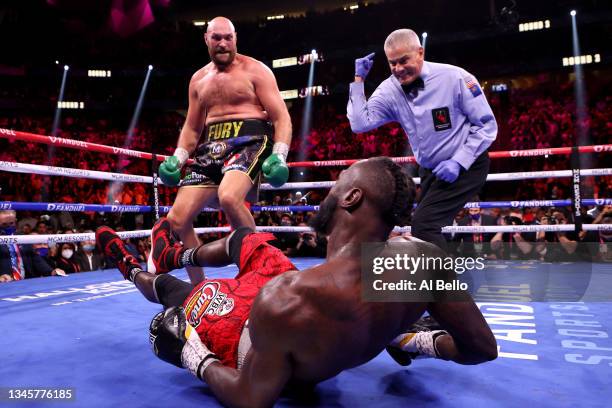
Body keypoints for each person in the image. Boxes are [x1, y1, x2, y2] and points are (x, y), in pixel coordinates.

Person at [97, 157, 496, 407]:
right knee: (248, 240)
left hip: (251, 339)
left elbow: (251, 398)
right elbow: (481, 348)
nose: (330, 188)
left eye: (338, 181)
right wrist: (413, 338)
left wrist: (190, 354)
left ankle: (136, 270)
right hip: (297, 306)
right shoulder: (421, 261)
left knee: (177, 292)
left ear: (352, 198)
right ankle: (179, 254)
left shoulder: (290, 300)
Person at [155, 16, 293, 285]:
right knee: (177, 219)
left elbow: (281, 117)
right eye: (216, 38)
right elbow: (193, 129)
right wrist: (178, 157)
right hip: (210, 148)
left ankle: (261, 274)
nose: (222, 43)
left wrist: (280, 154)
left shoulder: (256, 70)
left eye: (228, 37)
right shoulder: (198, 80)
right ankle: (199, 288)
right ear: (206, 39)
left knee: (229, 197)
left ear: (235, 39)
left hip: (250, 140)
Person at [347, 28, 497, 251]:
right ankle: (441, 281)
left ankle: (445, 285)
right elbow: (359, 123)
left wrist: (459, 161)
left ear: (420, 52)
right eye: (392, 63)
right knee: (425, 230)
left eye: (403, 60)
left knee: (424, 225)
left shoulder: (455, 77)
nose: (398, 69)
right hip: (429, 171)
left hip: (468, 164)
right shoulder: (390, 89)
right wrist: (359, 80)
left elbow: (487, 124)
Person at [0, 210, 65, 281]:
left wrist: (51, 271)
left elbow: (35, 258)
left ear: (16, 222)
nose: (8, 227)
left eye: (11, 223)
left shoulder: (22, 238)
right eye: (4, 224)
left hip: (27, 282)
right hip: (5, 284)